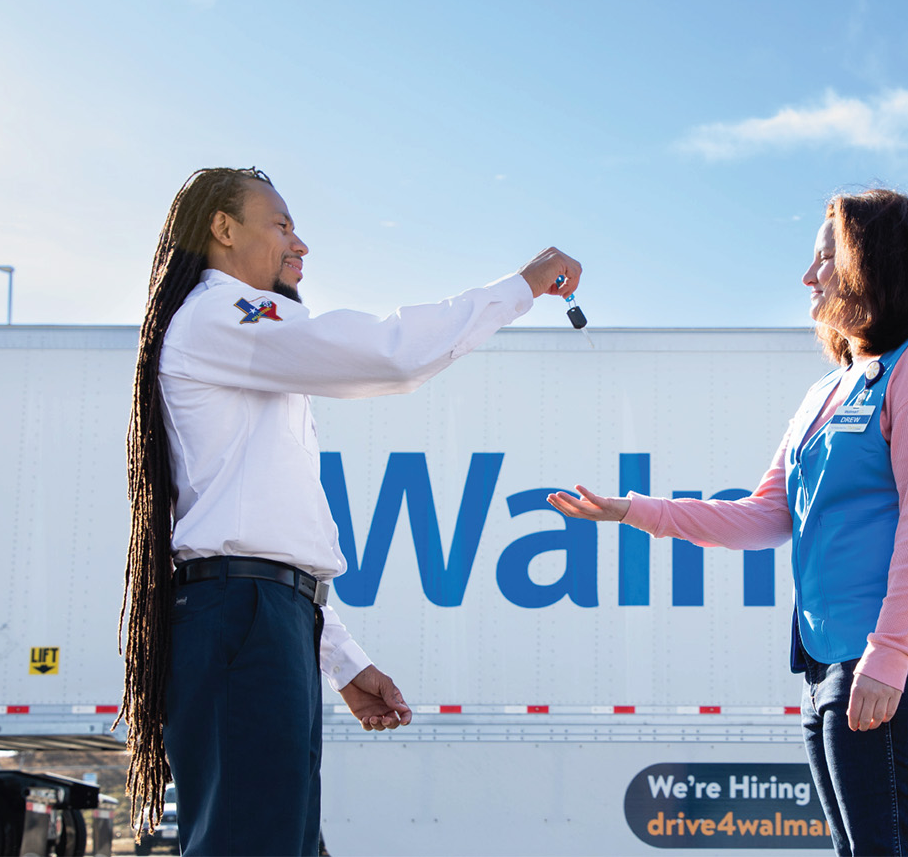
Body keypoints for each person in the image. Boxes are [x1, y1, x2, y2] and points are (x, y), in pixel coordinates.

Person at [119, 167, 581, 856]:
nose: (299, 244)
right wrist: (521, 286)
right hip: (244, 620)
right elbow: (387, 355)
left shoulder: (236, 340)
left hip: (266, 619)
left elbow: (270, 541)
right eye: (280, 225)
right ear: (222, 229)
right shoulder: (224, 315)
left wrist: (339, 658)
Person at [549, 189, 908, 856]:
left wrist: (890, 653)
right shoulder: (828, 391)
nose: (810, 277)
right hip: (831, 662)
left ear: (877, 264)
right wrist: (630, 511)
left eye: (827, 258)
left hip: (903, 660)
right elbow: (763, 515)